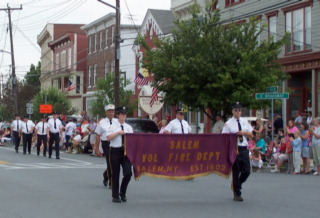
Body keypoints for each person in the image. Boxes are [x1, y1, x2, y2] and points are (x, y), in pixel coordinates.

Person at [222, 102, 253, 202]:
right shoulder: (228, 123)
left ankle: (237, 183)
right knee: (236, 170)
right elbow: (224, 137)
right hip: (234, 148)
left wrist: (244, 133)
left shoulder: (245, 122)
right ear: (232, 111)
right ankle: (237, 192)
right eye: (236, 110)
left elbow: (251, 135)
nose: (238, 112)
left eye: (239, 110)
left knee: (247, 170)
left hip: (244, 148)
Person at [107, 106, 133, 203]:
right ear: (118, 115)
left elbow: (132, 141)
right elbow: (108, 137)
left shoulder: (128, 127)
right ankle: (115, 195)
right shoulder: (113, 126)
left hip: (126, 152)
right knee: (116, 173)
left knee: (128, 173)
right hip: (115, 150)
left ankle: (122, 192)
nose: (123, 117)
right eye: (122, 115)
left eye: (125, 115)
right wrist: (118, 132)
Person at [95, 104, 117, 188]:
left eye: (112, 111)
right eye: (109, 112)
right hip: (106, 144)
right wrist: (97, 149)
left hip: (115, 143)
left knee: (115, 162)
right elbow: (97, 136)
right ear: (106, 113)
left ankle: (106, 174)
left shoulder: (117, 122)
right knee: (110, 161)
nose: (111, 113)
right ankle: (112, 181)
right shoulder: (102, 123)